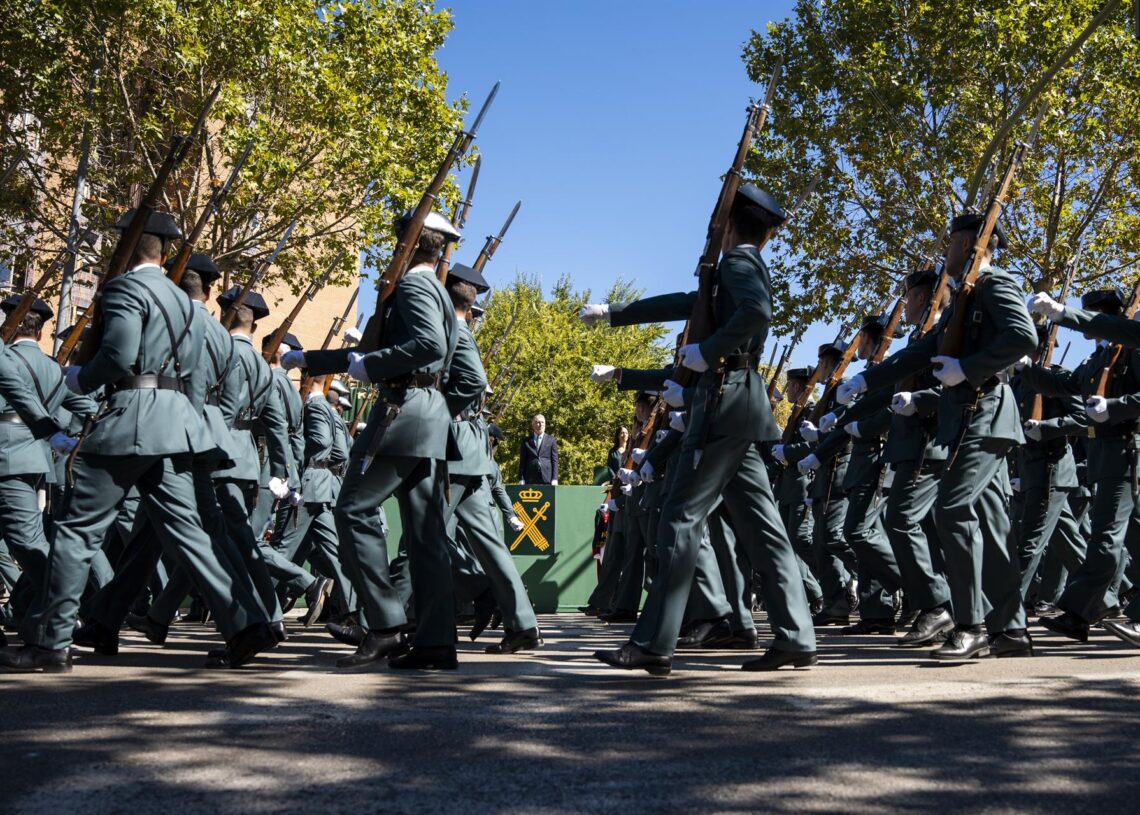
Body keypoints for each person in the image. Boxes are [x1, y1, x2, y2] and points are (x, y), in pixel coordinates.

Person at [587, 183, 818, 675]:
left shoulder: (737, 264)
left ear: (729, 224)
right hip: (742, 409)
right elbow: (686, 302)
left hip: (722, 403)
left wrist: (710, 351)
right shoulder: (740, 266)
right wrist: (617, 314)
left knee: (679, 520)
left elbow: (756, 313)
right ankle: (796, 635)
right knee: (764, 530)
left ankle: (654, 643)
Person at [519, 413, 558, 485]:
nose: (541, 424)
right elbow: (522, 461)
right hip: (530, 478)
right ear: (533, 425)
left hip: (547, 478)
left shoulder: (551, 440)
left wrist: (555, 478)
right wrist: (521, 478)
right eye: (538, 422)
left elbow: (554, 461)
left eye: (543, 422)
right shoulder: (526, 441)